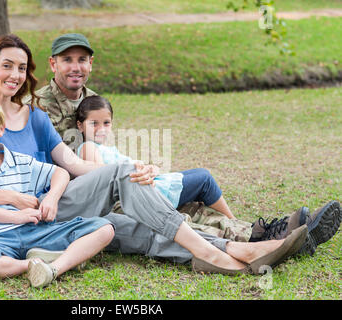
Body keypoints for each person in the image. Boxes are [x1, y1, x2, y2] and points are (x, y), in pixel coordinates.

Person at [0, 34, 337, 271]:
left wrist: (128, 167)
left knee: (129, 226)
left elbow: (72, 164)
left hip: (59, 200)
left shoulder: (36, 115)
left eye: (22, 68)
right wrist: (0, 201)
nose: (15, 74)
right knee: (125, 217)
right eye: (7, 65)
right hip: (34, 213)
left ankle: (234, 250)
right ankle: (233, 245)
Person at [23, 33, 341, 248]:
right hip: (75, 196)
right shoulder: (37, 107)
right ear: (53, 64)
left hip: (113, 181)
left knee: (186, 200)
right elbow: (49, 165)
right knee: (172, 215)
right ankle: (266, 238)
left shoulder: (93, 100)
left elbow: (106, 152)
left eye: (82, 59)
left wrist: (140, 169)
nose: (76, 66)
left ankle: (272, 233)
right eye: (67, 59)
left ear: (91, 64)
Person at [0, 95, 310, 277]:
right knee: (127, 223)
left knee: (127, 184)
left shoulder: (22, 143)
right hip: (23, 227)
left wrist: (53, 197)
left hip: (54, 211)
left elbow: (62, 170)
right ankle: (222, 251)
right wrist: (14, 208)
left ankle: (230, 248)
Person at [0, 95, 114, 287]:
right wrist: (17, 217)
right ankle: (33, 264)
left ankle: (53, 269)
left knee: (105, 229)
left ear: (1, 129)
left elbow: (60, 173)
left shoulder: (19, 160)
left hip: (37, 231)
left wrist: (51, 199)